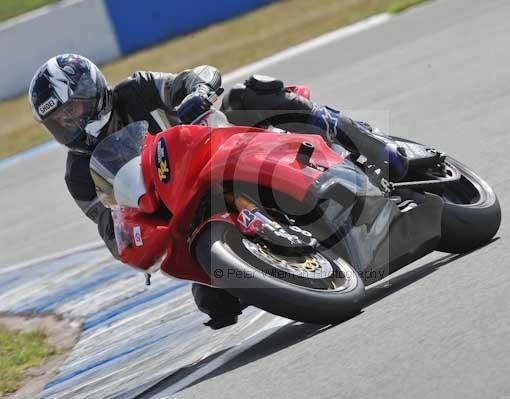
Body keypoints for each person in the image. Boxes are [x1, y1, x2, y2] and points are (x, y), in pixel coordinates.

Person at [28, 54, 408, 329]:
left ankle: (366, 139)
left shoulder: (137, 90)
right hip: (185, 211)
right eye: (58, 121)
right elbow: (110, 228)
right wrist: (128, 235)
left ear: (92, 92)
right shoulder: (79, 174)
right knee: (215, 304)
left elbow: (191, 78)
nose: (69, 124)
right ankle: (293, 258)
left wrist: (199, 90)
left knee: (253, 94)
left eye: (72, 110)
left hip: (223, 149)